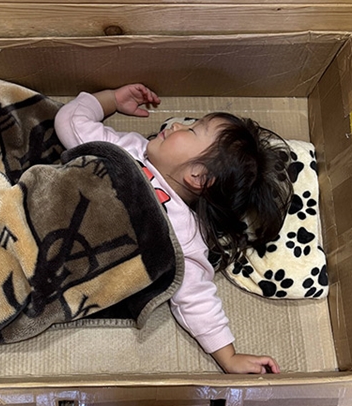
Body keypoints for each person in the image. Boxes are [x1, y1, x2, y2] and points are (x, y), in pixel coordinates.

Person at [54, 84, 292, 374]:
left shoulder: (184, 232)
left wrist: (228, 356)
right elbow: (71, 123)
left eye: (192, 130)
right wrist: (111, 99)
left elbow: (196, 298)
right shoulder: (131, 149)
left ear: (198, 177)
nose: (177, 124)